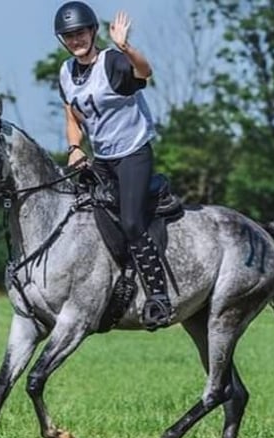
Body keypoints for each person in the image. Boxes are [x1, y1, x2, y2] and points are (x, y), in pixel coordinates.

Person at [54, 1, 173, 330]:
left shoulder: (113, 61)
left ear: (92, 31)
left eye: (80, 33)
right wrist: (74, 146)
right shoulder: (66, 72)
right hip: (102, 158)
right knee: (81, 213)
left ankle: (159, 297)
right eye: (69, 36)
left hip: (133, 153)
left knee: (132, 221)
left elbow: (145, 72)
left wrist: (125, 46)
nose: (76, 40)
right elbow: (72, 115)